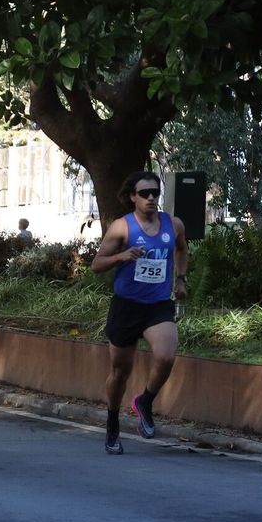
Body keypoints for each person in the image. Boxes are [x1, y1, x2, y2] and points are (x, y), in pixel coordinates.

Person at [89, 171, 188, 455]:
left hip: (157, 305)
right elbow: (97, 264)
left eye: (155, 193)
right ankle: (112, 422)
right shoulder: (122, 227)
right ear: (133, 197)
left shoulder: (173, 224)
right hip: (126, 306)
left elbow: (182, 249)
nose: (151, 198)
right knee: (120, 372)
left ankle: (145, 401)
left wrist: (181, 278)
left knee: (167, 355)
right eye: (144, 193)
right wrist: (121, 256)